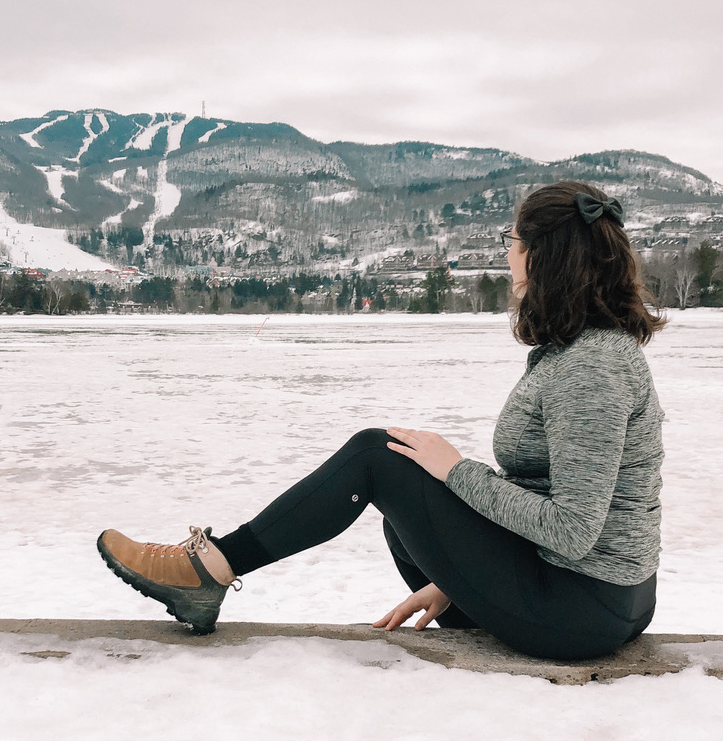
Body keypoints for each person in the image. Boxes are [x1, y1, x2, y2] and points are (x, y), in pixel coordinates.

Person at [96, 180, 666, 660]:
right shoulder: (582, 351)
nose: (507, 252)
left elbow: (573, 529)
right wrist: (453, 579)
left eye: (511, 240)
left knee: (378, 457)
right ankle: (477, 620)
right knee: (405, 508)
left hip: (584, 607)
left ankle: (209, 569)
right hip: (599, 596)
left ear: (542, 255)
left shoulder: (592, 364)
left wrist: (458, 473)